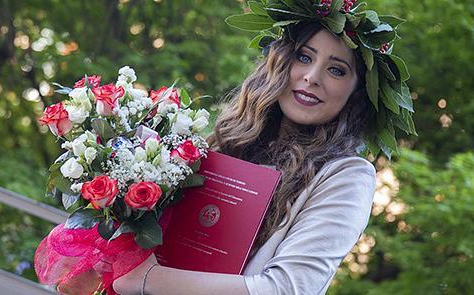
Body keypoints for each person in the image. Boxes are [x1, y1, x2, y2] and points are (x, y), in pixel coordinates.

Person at [113, 1, 415, 294]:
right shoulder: (226, 144)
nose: (312, 77)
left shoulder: (347, 176)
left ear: (355, 94)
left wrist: (148, 279)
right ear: (280, 61)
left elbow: (286, 289)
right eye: (304, 57)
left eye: (336, 70)